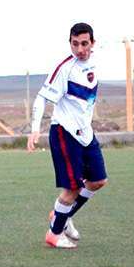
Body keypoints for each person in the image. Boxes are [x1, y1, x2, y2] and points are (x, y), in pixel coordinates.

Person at [27, 22, 107, 249]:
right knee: (72, 188)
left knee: (98, 181)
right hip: (65, 132)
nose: (80, 49)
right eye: (75, 44)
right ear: (69, 43)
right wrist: (35, 128)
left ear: (93, 43)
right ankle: (54, 234)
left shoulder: (95, 64)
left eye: (84, 43)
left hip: (86, 134)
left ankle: (61, 214)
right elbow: (42, 98)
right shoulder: (65, 68)